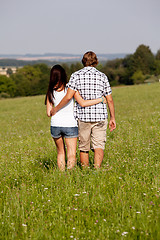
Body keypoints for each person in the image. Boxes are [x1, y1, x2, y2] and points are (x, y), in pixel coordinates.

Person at [51, 52, 116, 169]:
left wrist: (56, 108)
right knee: (99, 145)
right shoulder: (103, 76)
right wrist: (112, 118)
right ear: (96, 61)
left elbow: (68, 96)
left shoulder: (75, 75)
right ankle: (96, 171)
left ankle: (85, 171)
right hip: (100, 116)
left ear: (83, 61)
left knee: (83, 147)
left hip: (83, 117)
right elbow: (110, 100)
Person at [45, 64, 106, 171]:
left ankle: (61, 175)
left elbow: (49, 113)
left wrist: (55, 109)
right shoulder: (70, 88)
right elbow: (82, 102)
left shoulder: (50, 91)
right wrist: (100, 99)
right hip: (70, 125)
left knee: (60, 152)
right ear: (64, 75)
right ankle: (70, 174)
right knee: (72, 153)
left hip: (55, 125)